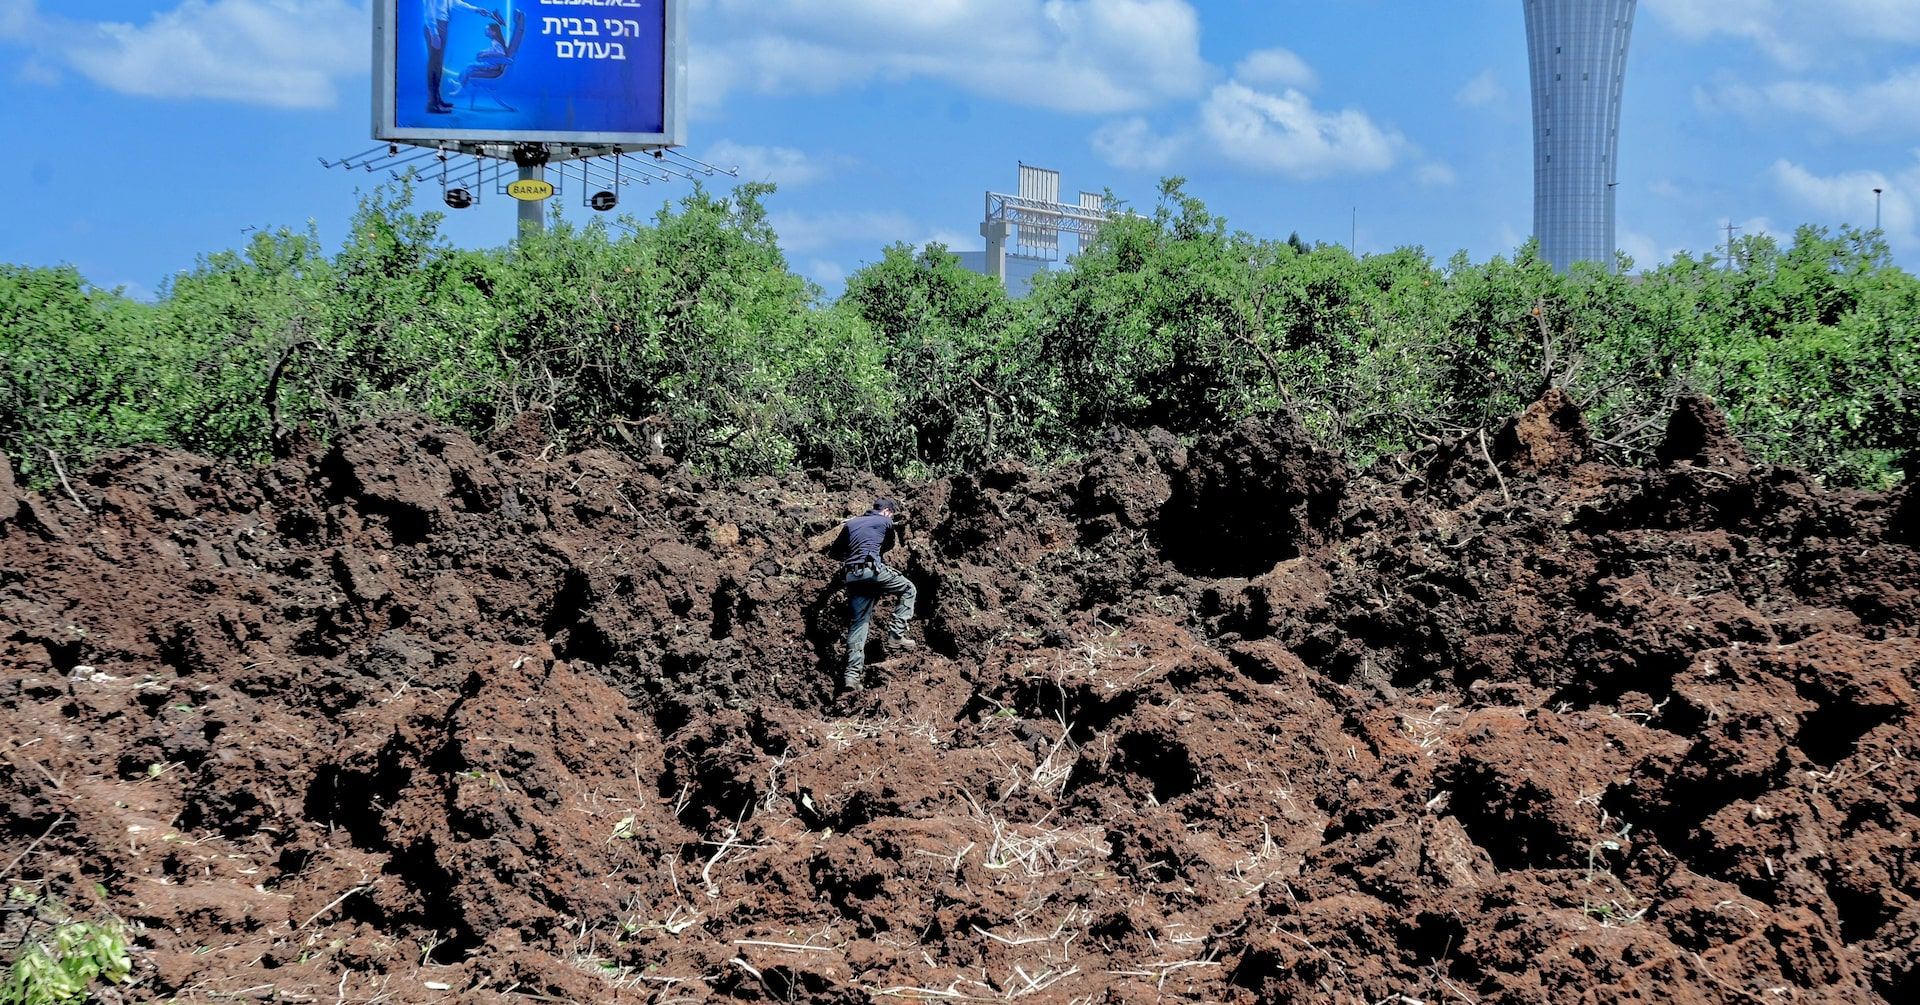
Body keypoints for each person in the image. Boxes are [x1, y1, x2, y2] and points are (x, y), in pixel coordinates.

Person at [828, 497, 918, 692]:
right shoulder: (885, 521)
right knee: (908, 588)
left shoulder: (851, 523)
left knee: (859, 623)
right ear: (887, 512)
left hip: (851, 576)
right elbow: (888, 545)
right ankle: (896, 634)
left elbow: (834, 553)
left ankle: (851, 676)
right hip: (872, 570)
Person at [422, 1, 502, 114]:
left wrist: (476, 9)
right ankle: (432, 103)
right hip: (435, 25)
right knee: (434, 64)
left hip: (442, 24)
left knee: (438, 64)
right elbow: (429, 10)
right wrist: (434, 33)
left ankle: (437, 100)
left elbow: (456, 3)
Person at [445, 9, 526, 104]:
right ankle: (460, 85)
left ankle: (461, 89)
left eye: (487, 29)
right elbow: (495, 51)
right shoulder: (495, 42)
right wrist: (484, 52)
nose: (485, 31)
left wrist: (486, 54)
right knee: (469, 66)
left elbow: (501, 54)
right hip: (491, 66)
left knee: (469, 69)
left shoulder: (496, 43)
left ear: (494, 32)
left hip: (492, 68)